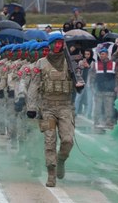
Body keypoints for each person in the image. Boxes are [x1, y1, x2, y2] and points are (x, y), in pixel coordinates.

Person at [27, 33, 84, 187]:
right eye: (56, 43)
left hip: (65, 107)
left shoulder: (70, 62)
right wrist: (31, 107)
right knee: (49, 141)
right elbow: (34, 86)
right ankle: (51, 173)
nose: (58, 46)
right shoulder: (40, 63)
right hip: (47, 108)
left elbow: (79, 80)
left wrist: (79, 83)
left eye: (61, 43)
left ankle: (61, 160)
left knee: (67, 140)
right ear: (50, 45)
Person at [89, 48, 117, 129]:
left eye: (103, 54)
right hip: (99, 90)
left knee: (109, 108)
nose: (102, 55)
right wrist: (92, 87)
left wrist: (116, 86)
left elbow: (117, 76)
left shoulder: (113, 64)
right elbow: (92, 77)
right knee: (97, 108)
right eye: (101, 54)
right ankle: (96, 122)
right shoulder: (96, 65)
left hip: (110, 90)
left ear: (107, 54)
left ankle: (109, 122)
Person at [75, 49, 95, 118]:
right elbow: (77, 71)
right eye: (85, 54)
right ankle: (75, 112)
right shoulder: (81, 62)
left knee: (90, 99)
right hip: (81, 82)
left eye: (88, 54)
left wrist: (88, 67)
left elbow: (94, 73)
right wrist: (82, 66)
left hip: (89, 83)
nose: (86, 56)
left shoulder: (93, 62)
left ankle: (88, 114)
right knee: (78, 98)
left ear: (91, 54)